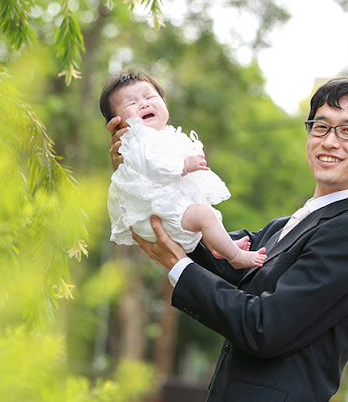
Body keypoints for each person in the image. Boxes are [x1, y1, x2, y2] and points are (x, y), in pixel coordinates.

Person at [106, 75, 348, 401]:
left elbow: (263, 327)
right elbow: (211, 249)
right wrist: (140, 175)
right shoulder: (288, 225)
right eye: (320, 126)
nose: (329, 141)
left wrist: (177, 267)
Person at [100, 70, 267, 268]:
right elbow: (153, 166)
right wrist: (184, 165)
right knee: (204, 215)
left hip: (166, 206)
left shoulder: (161, 136)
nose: (143, 104)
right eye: (131, 103)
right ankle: (236, 257)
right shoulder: (138, 140)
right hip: (157, 214)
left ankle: (219, 246)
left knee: (205, 211)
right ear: (117, 122)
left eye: (149, 96)